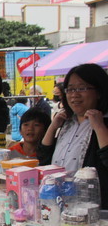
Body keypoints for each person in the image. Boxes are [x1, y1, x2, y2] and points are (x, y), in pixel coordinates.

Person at [38, 63, 108, 209]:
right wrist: (53, 127)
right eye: (70, 89)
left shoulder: (103, 123)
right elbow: (44, 157)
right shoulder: (67, 123)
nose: (74, 95)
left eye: (82, 88)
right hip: (59, 203)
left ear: (99, 92)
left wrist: (100, 127)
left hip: (92, 210)